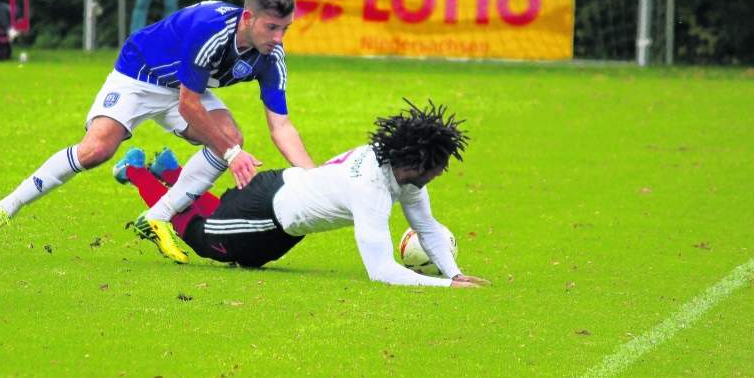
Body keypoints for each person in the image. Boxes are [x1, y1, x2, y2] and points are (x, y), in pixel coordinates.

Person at [0, 0, 315, 256]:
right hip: (140, 74)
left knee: (230, 136)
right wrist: (231, 153)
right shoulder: (212, 30)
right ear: (248, 18)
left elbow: (281, 125)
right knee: (96, 150)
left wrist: (316, 180)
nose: (278, 38)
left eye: (285, 29)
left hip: (183, 87)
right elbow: (189, 106)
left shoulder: (272, 56)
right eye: (272, 27)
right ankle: (7, 206)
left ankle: (157, 217)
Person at [116, 101, 491, 288]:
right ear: (416, 162)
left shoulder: (399, 172)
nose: (441, 172)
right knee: (200, 236)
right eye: (439, 165)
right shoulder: (371, 189)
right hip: (265, 210)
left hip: (284, 222)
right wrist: (446, 287)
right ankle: (135, 172)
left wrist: (455, 274)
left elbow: (426, 226)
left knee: (222, 228)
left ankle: (169, 171)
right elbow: (381, 271)